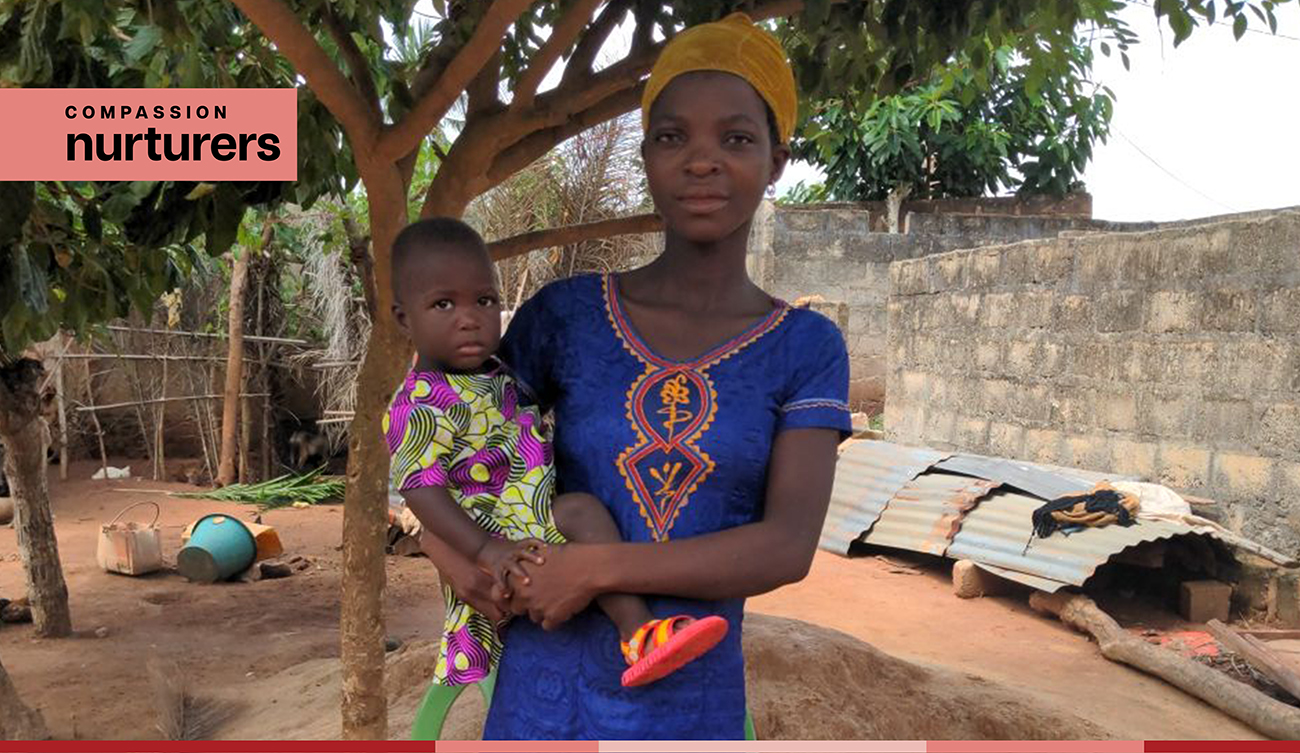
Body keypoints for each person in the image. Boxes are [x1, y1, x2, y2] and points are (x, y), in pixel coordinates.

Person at [420, 12, 851, 739]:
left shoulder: (805, 347)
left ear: (777, 160)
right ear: (648, 154)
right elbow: (441, 439)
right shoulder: (566, 315)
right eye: (672, 137)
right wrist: (459, 561)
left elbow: (786, 546)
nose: (701, 161)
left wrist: (593, 569)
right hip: (541, 698)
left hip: (690, 705)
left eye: (736, 139)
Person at [383, 218, 729, 689]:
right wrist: (485, 550)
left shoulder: (497, 374)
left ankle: (640, 635)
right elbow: (420, 489)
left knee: (583, 513)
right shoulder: (417, 404)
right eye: (443, 304)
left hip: (531, 519)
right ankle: (630, 633)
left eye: (484, 301)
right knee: (576, 524)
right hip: (490, 539)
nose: (469, 318)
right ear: (404, 318)